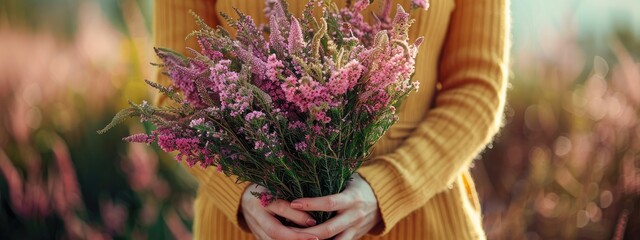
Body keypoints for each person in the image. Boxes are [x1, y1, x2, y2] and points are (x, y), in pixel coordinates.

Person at [154, 0, 509, 239]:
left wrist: (388, 188)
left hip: (419, 220)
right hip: (253, 226)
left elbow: (477, 87)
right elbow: (177, 81)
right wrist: (243, 192)